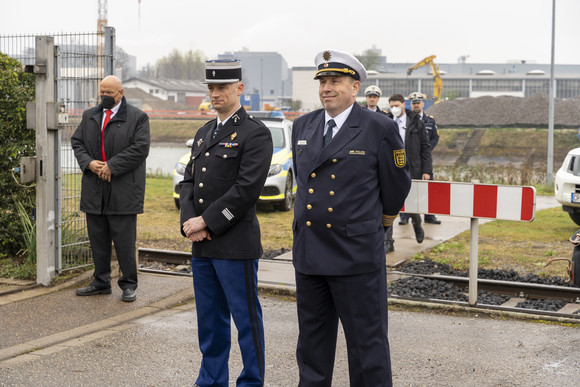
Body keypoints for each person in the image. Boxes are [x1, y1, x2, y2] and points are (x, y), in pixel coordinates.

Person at [291, 49, 411, 387]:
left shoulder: (379, 128)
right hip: (311, 252)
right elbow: (304, 182)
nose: (327, 88)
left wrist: (373, 225)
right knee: (312, 346)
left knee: (366, 347)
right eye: (323, 82)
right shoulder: (304, 125)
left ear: (355, 87)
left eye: (336, 82)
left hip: (355, 253)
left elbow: (395, 186)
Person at [179, 59, 273, 387]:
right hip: (203, 246)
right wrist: (190, 223)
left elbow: (246, 191)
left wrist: (207, 221)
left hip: (234, 243)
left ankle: (251, 381)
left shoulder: (255, 133)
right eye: (211, 88)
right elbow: (188, 182)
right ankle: (211, 380)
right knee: (210, 322)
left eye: (222, 88)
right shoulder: (205, 132)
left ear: (240, 90)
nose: (215, 94)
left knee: (246, 321)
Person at [71, 75, 150, 302]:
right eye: (101, 93)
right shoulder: (90, 116)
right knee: (98, 238)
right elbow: (77, 142)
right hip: (95, 189)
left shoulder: (138, 118)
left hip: (123, 190)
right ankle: (101, 282)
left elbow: (140, 149)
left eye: (109, 93)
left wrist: (112, 167)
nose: (104, 97)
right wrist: (89, 163)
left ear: (120, 93)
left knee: (124, 241)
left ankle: (128, 285)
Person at [385, 93, 432, 253]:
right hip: (389, 170)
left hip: (412, 169)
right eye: (391, 106)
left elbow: (425, 147)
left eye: (396, 105)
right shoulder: (385, 121)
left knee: (410, 204)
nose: (394, 109)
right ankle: (388, 242)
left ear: (403, 105)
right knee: (388, 205)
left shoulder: (416, 122)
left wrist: (426, 170)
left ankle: (417, 224)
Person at [409, 91, 441, 224]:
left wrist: (426, 149)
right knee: (409, 187)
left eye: (418, 103)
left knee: (428, 189)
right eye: (414, 103)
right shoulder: (407, 120)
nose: (416, 105)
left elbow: (435, 137)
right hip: (411, 159)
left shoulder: (430, 121)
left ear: (423, 104)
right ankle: (406, 215)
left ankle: (429, 216)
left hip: (426, 159)